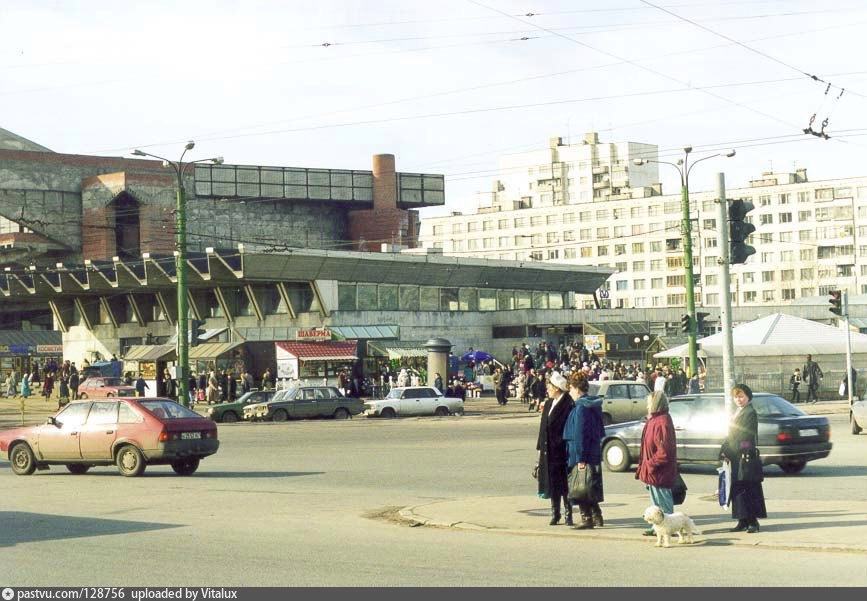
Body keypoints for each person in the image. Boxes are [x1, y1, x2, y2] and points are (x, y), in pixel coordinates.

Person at [720, 384, 767, 534]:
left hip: (746, 456)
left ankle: (753, 522)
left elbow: (745, 436)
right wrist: (724, 450)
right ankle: (742, 520)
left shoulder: (750, 413)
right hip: (736, 456)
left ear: (748, 397)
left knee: (748, 489)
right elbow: (730, 434)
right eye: (736, 397)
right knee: (738, 489)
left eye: (741, 396)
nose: (738, 400)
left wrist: (732, 450)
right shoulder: (737, 412)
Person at [563, 371, 605, 529]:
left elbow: (580, 434)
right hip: (592, 451)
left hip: (580, 453)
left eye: (570, 389)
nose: (569, 393)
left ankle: (586, 518)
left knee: (580, 486)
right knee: (589, 484)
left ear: (576, 389)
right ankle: (597, 516)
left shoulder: (581, 408)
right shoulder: (592, 405)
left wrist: (581, 458)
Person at [636, 391, 677, 536]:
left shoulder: (662, 421)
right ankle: (657, 527)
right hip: (654, 470)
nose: (647, 406)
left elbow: (664, 450)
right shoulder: (654, 420)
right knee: (656, 502)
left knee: (663, 502)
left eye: (649, 402)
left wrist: (651, 464)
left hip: (659, 470)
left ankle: (668, 529)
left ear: (655, 403)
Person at [535, 371, 574, 526]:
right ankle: (555, 512)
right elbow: (543, 427)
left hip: (561, 450)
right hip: (548, 449)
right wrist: (540, 447)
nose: (547, 389)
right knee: (552, 482)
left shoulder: (568, 404)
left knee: (564, 484)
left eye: (549, 386)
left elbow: (568, 428)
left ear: (557, 388)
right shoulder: (549, 403)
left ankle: (568, 513)